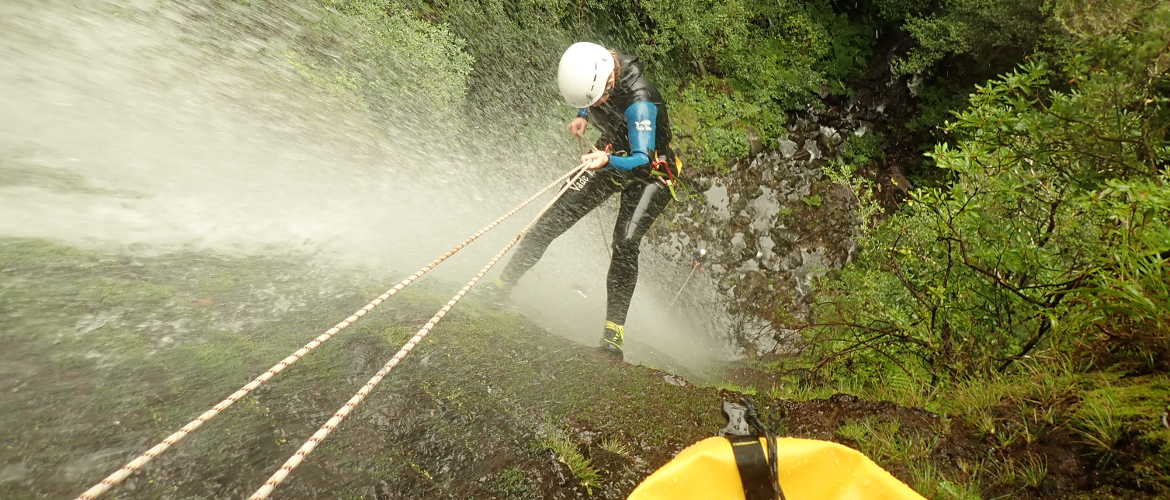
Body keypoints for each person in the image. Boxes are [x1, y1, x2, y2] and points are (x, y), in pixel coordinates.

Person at [494, 41, 679, 361]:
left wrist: (606, 162)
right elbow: (589, 95)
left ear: (610, 81)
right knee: (553, 215)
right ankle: (501, 285)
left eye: (597, 100)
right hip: (607, 155)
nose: (597, 105)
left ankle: (613, 336)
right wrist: (582, 113)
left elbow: (642, 161)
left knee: (625, 241)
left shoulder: (641, 104)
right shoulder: (594, 66)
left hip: (650, 171)